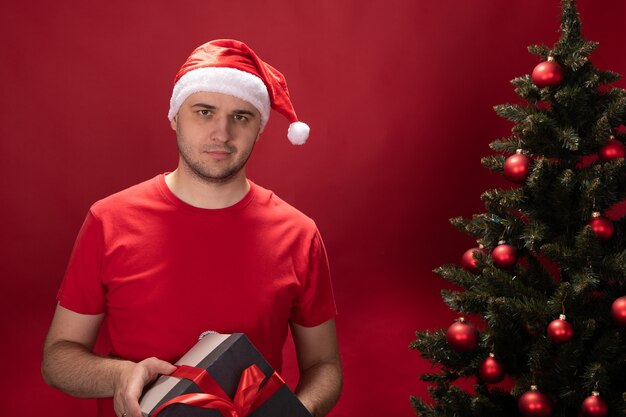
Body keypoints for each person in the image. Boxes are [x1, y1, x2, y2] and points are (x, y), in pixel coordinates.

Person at [41, 39, 342, 417]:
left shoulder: (299, 233)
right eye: (204, 111)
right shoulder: (108, 220)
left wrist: (293, 413)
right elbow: (58, 357)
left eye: (241, 116)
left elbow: (324, 365)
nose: (221, 133)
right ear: (173, 117)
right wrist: (122, 376)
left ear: (260, 128)